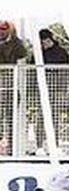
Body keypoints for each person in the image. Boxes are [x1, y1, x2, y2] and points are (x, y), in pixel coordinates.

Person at [0, 21, 25, 153]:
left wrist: (13, 37)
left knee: (11, 116)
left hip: (11, 85)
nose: (2, 31)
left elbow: (23, 53)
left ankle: (11, 146)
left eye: (4, 28)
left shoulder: (15, 43)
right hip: (3, 83)